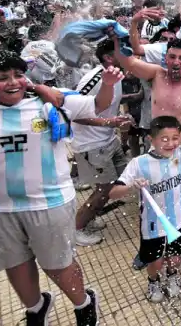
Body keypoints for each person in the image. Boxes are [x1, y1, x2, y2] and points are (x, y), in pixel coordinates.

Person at [0, 50, 121, 326]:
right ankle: (37, 307)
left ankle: (84, 304)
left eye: (18, 75)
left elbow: (97, 105)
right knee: (16, 266)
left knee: (58, 264)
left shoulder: (49, 102)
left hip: (50, 202)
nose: (13, 82)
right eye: (2, 78)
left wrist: (109, 85)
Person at [109, 111, 181, 303]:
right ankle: (153, 281)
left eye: (175, 138)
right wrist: (131, 186)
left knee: (175, 256)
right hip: (153, 225)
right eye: (164, 139)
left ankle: (172, 276)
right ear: (151, 139)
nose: (170, 143)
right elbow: (113, 193)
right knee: (155, 261)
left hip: (178, 220)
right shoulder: (139, 164)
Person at [70, 39, 134, 246]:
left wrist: (134, 98)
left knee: (115, 184)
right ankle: (77, 228)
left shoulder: (116, 75)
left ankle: (89, 218)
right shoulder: (95, 79)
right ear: (108, 57)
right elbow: (73, 113)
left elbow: (110, 101)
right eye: (122, 51)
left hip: (107, 139)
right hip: (91, 145)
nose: (129, 53)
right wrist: (108, 122)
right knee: (103, 190)